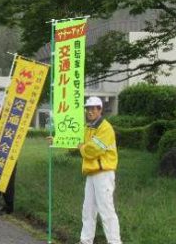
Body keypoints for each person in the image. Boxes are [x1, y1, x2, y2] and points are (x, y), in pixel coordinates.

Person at [49, 96, 121, 244]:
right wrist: (56, 140)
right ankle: (85, 240)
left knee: (106, 210)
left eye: (94, 108)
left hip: (104, 174)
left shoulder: (105, 128)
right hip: (92, 173)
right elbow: (73, 141)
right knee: (88, 210)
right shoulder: (88, 128)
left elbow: (92, 150)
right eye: (88, 108)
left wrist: (81, 147)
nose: (90, 111)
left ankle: (115, 242)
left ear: (100, 110)